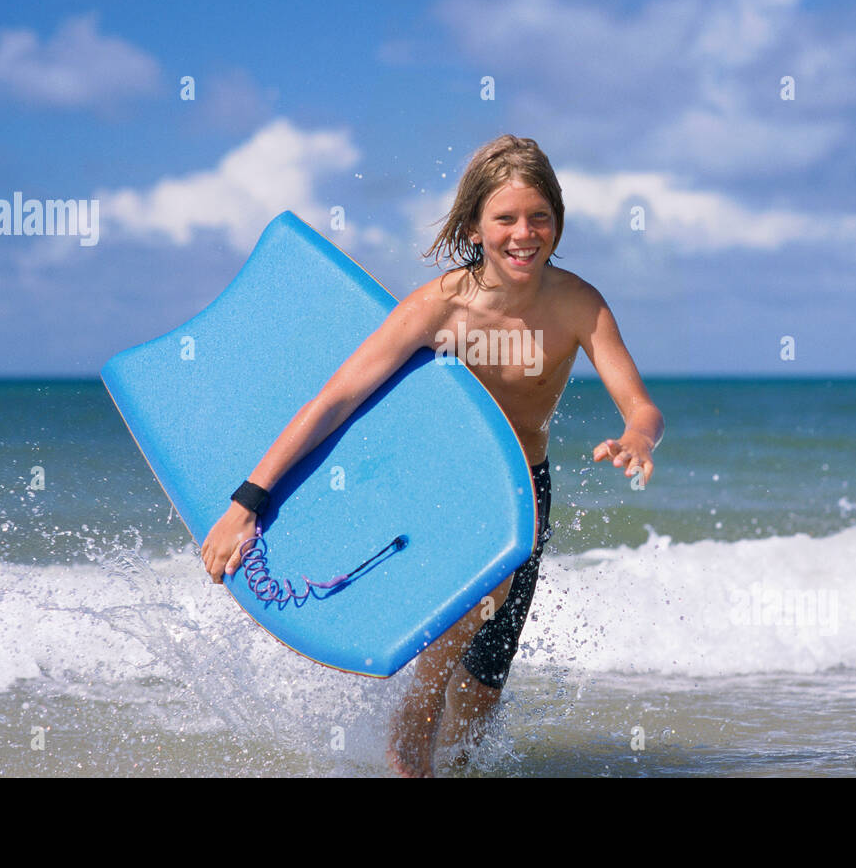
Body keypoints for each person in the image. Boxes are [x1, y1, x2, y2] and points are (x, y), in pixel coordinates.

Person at [200, 134, 664, 777]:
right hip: (440, 483)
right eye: (505, 218)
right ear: (475, 225)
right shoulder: (438, 306)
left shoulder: (578, 304)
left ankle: (451, 764)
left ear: (557, 223)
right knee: (481, 598)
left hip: (524, 488)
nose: (523, 233)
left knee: (482, 688)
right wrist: (248, 500)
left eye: (540, 218)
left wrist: (637, 438)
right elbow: (335, 400)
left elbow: (641, 406)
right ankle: (410, 726)